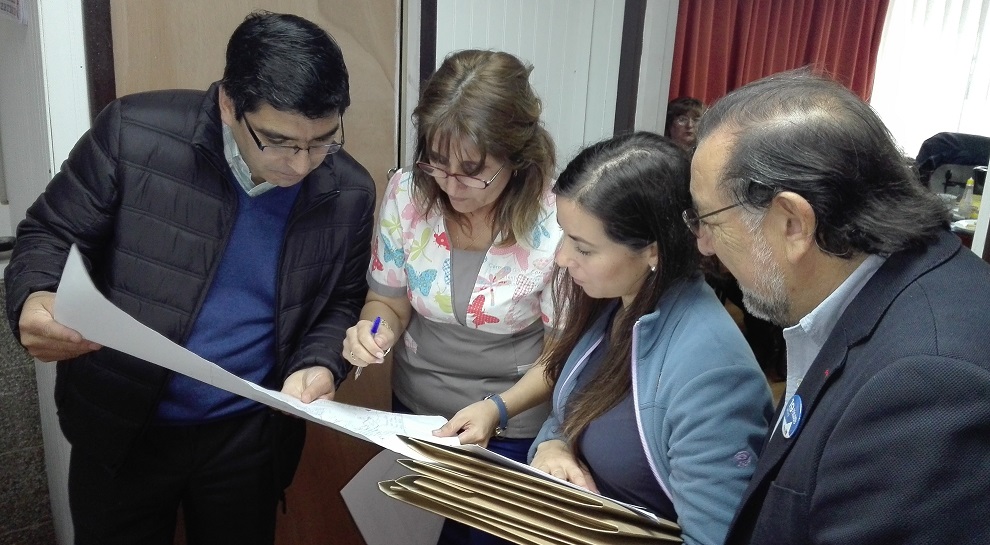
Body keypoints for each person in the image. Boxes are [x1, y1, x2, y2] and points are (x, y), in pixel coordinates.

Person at [4, 11, 375, 545]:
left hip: (249, 433)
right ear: (228, 104)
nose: (301, 165)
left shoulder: (348, 191)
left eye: (322, 142)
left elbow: (341, 301)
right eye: (277, 141)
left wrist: (320, 362)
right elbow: (49, 233)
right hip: (124, 422)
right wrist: (33, 297)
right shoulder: (133, 134)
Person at [688, 68, 990, 544]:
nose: (704, 245)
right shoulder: (885, 288)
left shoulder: (925, 382)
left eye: (709, 220)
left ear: (792, 223)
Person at [442, 131, 772, 545]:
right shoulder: (615, 303)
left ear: (652, 250)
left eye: (583, 248)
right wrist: (553, 447)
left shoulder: (714, 375)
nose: (562, 258)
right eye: (563, 235)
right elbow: (573, 410)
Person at [342, 49, 560, 545]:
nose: (451, 185)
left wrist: (497, 409)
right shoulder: (408, 194)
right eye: (438, 163)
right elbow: (387, 302)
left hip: (510, 425)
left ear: (517, 157)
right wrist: (373, 332)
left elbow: (560, 353)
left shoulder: (556, 218)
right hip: (416, 414)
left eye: (472, 170)